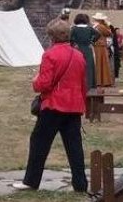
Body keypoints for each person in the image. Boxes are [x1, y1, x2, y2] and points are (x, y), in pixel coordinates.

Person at [14, 19, 90, 192]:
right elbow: (83, 83)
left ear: (51, 36)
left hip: (54, 105)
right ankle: (80, 184)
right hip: (74, 106)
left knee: (39, 142)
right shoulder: (78, 55)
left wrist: (35, 82)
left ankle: (31, 181)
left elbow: (44, 84)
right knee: (74, 146)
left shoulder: (50, 54)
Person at [70, 13, 97, 91]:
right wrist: (91, 42)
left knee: (77, 67)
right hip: (88, 50)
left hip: (77, 50)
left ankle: (77, 84)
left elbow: (69, 38)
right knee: (89, 67)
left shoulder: (74, 29)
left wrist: (74, 44)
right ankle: (89, 85)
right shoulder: (89, 28)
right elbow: (98, 34)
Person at [90, 12, 115, 90]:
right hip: (101, 46)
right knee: (103, 64)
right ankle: (104, 81)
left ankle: (97, 81)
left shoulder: (93, 26)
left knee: (97, 64)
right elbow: (109, 33)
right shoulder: (101, 26)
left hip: (94, 45)